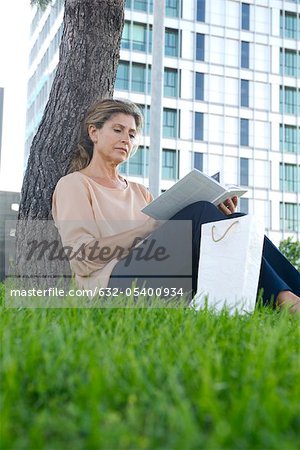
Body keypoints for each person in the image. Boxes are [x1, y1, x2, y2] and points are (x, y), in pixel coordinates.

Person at [52, 98, 300, 312]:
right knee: (199, 211)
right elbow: (81, 259)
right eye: (117, 130)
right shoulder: (75, 184)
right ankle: (284, 300)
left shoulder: (139, 191)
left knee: (237, 221)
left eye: (130, 134)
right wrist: (145, 230)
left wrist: (220, 217)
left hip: (159, 274)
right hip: (108, 287)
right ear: (94, 133)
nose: (125, 139)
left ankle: (293, 293)